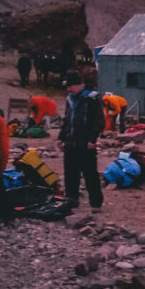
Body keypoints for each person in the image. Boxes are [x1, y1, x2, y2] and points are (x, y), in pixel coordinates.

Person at [57, 71, 103, 211]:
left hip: (86, 143)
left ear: (79, 85)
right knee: (70, 172)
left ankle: (96, 203)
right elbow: (67, 119)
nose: (68, 89)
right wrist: (61, 137)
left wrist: (92, 139)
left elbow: (99, 121)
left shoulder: (92, 98)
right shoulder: (70, 99)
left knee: (90, 174)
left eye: (70, 86)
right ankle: (72, 199)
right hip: (71, 143)